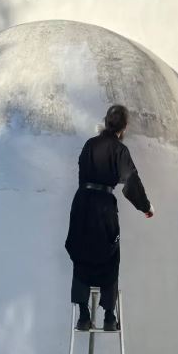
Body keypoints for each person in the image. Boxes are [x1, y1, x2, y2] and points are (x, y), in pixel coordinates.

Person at [65, 105, 154, 331]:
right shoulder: (119, 149)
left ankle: (84, 315)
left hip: (82, 204)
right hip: (103, 206)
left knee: (81, 254)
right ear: (124, 127)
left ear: (105, 121)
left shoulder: (89, 144)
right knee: (110, 256)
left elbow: (81, 170)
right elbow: (130, 181)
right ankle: (109, 316)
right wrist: (145, 207)